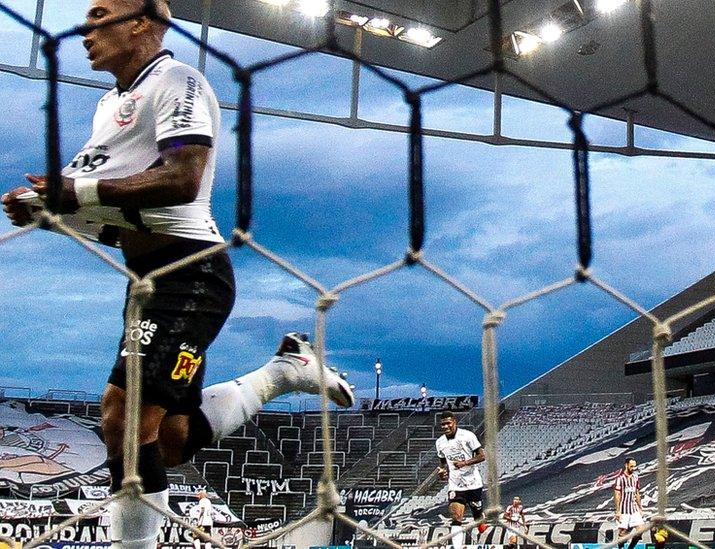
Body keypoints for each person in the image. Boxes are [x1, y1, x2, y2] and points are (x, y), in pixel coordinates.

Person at [1, 1, 354, 547]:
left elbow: (184, 178)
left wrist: (74, 193)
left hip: (191, 277)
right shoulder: (108, 107)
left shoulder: (177, 81)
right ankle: (279, 373)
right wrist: (51, 214)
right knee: (170, 440)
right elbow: (119, 224)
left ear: (141, 20)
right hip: (144, 284)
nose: (86, 29)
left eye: (100, 14)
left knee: (122, 417)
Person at [435, 411, 487, 549]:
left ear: (454, 422)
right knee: (456, 517)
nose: (445, 426)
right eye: (442, 424)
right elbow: (442, 462)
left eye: (448, 423)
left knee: (478, 517)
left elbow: (482, 456)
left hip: (473, 482)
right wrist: (441, 471)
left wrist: (465, 463)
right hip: (455, 484)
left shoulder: (467, 436)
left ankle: (479, 517)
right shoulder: (440, 442)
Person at [613, 457, 644, 549]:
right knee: (623, 533)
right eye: (631, 466)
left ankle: (630, 548)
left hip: (633, 509)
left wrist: (640, 507)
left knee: (641, 529)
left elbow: (637, 493)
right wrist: (618, 511)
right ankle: (621, 547)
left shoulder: (635, 477)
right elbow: (617, 494)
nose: (633, 468)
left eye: (634, 466)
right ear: (626, 465)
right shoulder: (620, 478)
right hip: (623, 510)